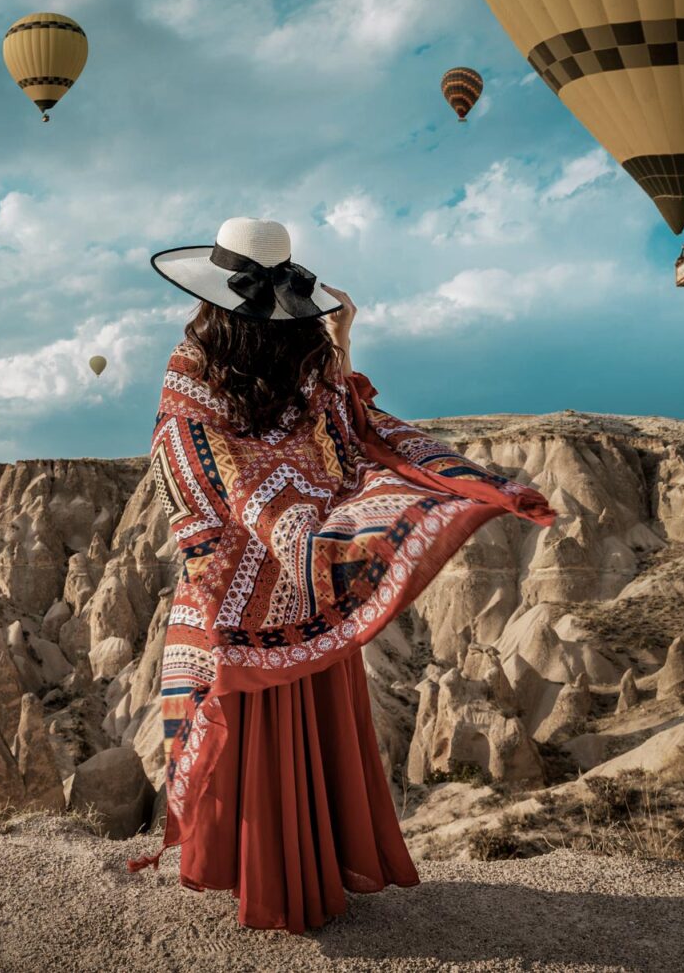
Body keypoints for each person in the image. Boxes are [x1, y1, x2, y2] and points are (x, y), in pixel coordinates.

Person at [133, 217, 555, 931]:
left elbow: (211, 478)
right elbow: (355, 436)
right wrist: (316, 544)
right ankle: (306, 877)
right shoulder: (310, 371)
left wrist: (278, 536)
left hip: (235, 592)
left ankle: (262, 881)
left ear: (211, 300)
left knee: (249, 735)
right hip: (308, 594)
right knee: (303, 736)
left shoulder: (191, 379)